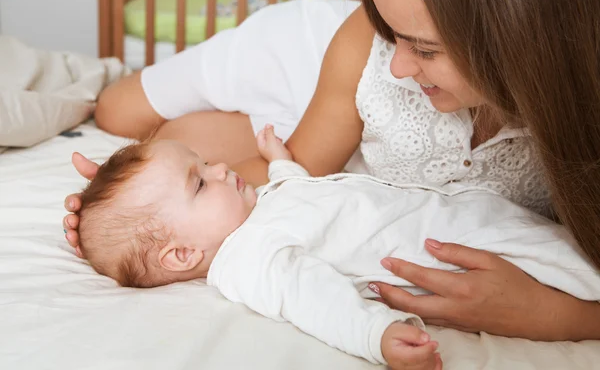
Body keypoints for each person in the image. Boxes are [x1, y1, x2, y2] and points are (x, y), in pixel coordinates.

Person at [65, 0, 600, 341]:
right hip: (306, 80)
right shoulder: (372, 47)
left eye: (426, 49)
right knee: (116, 112)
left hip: (313, 117)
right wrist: (135, 195)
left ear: (519, 38)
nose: (396, 66)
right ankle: (191, 142)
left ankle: (197, 144)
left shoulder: (577, 93)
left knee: (188, 145)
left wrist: (549, 314)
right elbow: (293, 175)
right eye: (393, 39)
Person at [76, 126, 599, 369]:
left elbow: (303, 195)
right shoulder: (247, 259)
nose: (219, 168)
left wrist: (280, 163)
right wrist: (376, 335)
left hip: (470, 214)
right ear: (183, 255)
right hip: (468, 249)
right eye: (198, 182)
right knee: (578, 268)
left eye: (203, 160)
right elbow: (312, 297)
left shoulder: (257, 210)